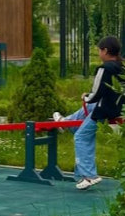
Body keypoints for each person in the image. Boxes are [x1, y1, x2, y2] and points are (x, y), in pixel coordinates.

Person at [53, 35, 124, 191]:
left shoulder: (104, 69)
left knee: (81, 136)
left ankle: (90, 176)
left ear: (105, 51)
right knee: (87, 113)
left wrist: (86, 97)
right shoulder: (122, 67)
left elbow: (96, 92)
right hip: (117, 108)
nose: (99, 53)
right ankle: (65, 122)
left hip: (103, 110)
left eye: (99, 50)